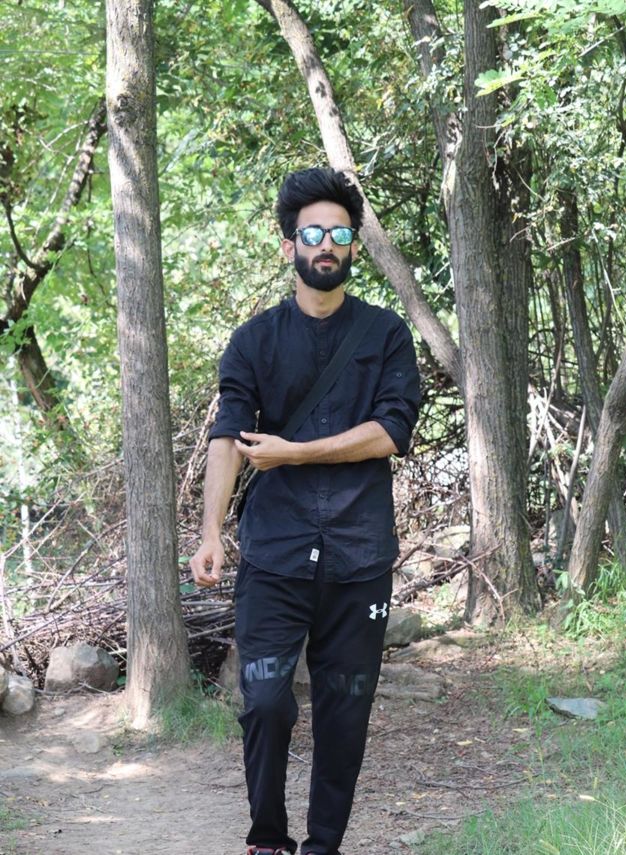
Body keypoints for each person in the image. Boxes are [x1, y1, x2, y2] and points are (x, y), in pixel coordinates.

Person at [190, 167, 420, 855]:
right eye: (313, 234)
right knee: (265, 700)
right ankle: (267, 838)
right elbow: (227, 436)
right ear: (288, 244)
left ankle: (323, 846)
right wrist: (210, 533)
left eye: (340, 235)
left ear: (352, 247)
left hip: (359, 554)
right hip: (275, 554)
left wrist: (295, 452)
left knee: (345, 714)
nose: (327, 246)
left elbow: (391, 431)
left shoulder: (385, 334)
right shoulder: (253, 341)